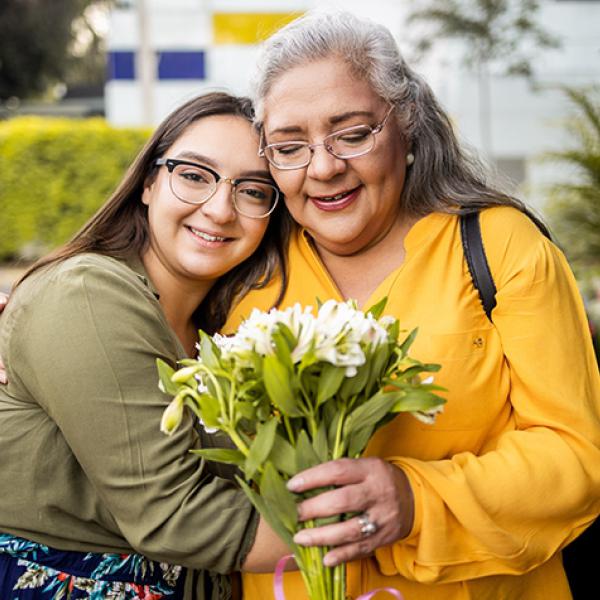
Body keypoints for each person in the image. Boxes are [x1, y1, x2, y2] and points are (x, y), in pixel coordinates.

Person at [220, 11, 600, 600]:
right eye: (290, 146)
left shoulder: (498, 247)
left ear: (408, 124)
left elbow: (578, 459)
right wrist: (25, 321)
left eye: (351, 134)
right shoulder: (244, 272)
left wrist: (414, 498)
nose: (323, 168)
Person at [0, 92, 291, 600]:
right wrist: (400, 525)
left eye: (252, 190)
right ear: (150, 183)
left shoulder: (225, 333)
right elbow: (171, 514)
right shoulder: (88, 292)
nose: (220, 209)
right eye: (195, 175)